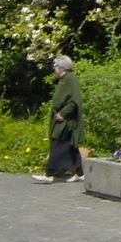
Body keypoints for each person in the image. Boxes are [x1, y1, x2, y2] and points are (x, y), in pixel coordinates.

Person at [32, 55, 85, 184]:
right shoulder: (64, 79)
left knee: (58, 144)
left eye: (55, 66)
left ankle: (49, 174)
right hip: (62, 119)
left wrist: (63, 113)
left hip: (66, 121)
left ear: (62, 67)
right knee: (70, 146)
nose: (54, 68)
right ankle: (80, 173)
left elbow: (73, 101)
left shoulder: (70, 79)